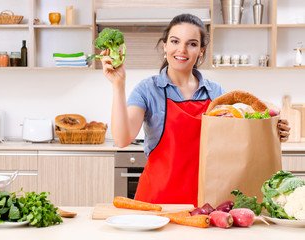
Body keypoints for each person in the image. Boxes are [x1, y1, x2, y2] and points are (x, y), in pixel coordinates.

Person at [100, 14, 290, 205]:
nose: (181, 50)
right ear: (165, 45)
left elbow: (240, 142)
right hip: (155, 204)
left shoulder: (216, 93)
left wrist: (273, 131)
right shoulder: (148, 90)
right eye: (175, 41)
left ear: (201, 50)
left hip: (205, 204)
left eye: (192, 44)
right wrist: (118, 84)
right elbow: (122, 139)